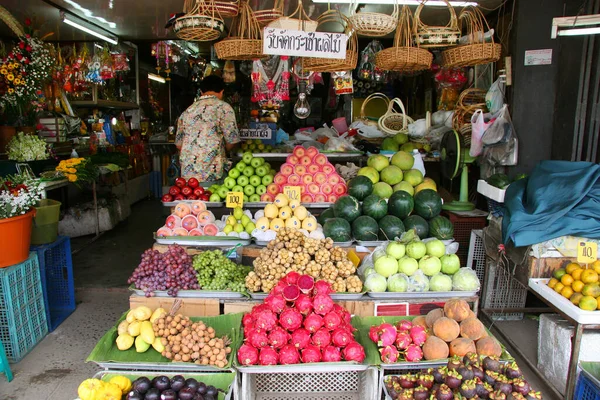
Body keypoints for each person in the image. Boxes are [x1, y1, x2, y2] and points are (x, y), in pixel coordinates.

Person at [175, 75, 240, 182]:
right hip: (213, 173)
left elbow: (178, 144)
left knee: (191, 197)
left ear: (201, 92)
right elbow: (232, 140)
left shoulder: (187, 111)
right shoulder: (224, 108)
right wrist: (220, 150)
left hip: (188, 176)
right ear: (222, 92)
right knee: (213, 197)